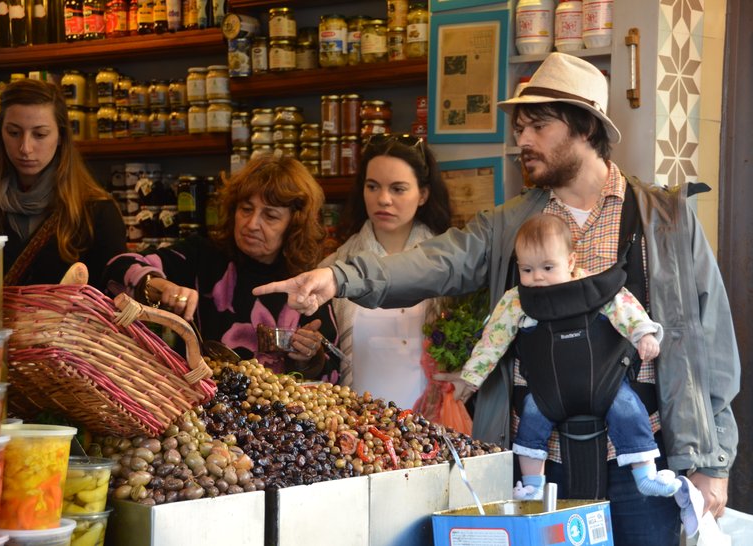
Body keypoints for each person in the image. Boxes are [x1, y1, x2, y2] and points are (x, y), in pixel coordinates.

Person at [253, 52, 739, 545]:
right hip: (537, 466)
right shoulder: (509, 224)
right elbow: (435, 261)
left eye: (538, 126)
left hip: (640, 464)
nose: (521, 140)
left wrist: (712, 461)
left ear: (587, 129)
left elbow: (711, 347)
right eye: (519, 127)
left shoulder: (667, 220)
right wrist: (341, 277)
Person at [460, 214, 686, 505]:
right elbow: (493, 339)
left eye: (547, 267)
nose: (537, 277)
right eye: (527, 269)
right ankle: (532, 485)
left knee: (631, 410)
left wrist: (644, 335)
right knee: (529, 419)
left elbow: (625, 307)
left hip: (604, 385)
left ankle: (645, 475)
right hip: (547, 392)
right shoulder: (517, 300)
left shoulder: (593, 287)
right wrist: (471, 377)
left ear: (570, 262)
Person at [103, 153, 340, 382]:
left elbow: (333, 374)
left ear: (294, 224)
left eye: (270, 216)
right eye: (246, 209)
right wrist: (157, 285)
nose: (252, 224)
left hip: (281, 419)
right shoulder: (202, 257)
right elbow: (117, 268)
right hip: (198, 413)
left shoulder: (308, 283)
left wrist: (308, 358)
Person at [318, 134, 452, 408]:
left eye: (398, 189)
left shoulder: (447, 265)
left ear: (423, 194)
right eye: (373, 186)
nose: (384, 199)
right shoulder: (333, 269)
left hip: (429, 425)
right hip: (354, 425)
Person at [0, 78, 126, 289]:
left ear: (61, 136)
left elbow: (115, 299)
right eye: (13, 133)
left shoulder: (97, 212)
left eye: (40, 134)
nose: (25, 147)